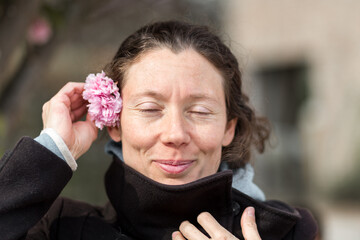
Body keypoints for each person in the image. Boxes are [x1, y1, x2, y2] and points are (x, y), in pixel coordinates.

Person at [0, 21, 318, 240]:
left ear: (228, 128)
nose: (175, 134)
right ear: (114, 123)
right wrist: (53, 147)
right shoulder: (56, 227)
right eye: (151, 109)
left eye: (200, 111)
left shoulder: (286, 232)